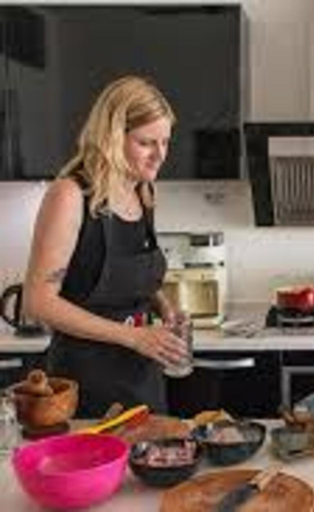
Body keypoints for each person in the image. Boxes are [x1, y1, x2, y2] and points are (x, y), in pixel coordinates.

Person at [22, 76, 188, 418]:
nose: (160, 155)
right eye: (146, 143)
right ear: (112, 137)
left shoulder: (143, 192)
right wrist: (133, 337)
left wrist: (163, 306)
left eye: (166, 142)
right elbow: (38, 301)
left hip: (142, 378)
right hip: (84, 383)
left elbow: (134, 276)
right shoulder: (70, 195)